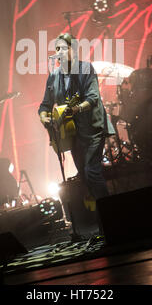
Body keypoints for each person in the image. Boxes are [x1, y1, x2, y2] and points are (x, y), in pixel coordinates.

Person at [38, 33, 114, 202]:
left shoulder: (86, 68)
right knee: (84, 175)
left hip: (92, 129)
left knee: (91, 171)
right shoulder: (54, 76)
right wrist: (44, 118)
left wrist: (77, 108)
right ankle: (99, 216)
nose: (60, 52)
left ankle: (110, 212)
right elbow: (45, 105)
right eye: (57, 49)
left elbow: (93, 97)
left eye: (64, 48)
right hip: (72, 133)